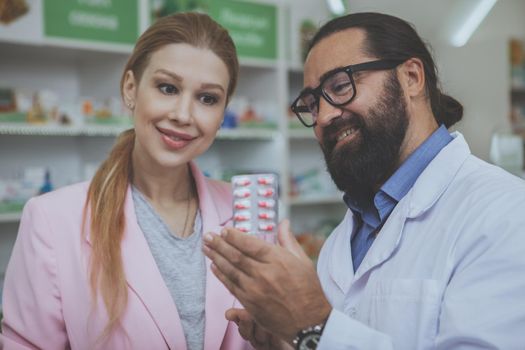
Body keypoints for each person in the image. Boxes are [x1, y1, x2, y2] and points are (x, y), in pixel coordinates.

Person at [203, 12, 525, 350]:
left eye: (340, 86)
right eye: (311, 105)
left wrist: (312, 321)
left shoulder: (505, 214)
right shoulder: (340, 243)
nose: (324, 117)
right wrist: (293, 340)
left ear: (411, 77)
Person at [1, 12, 252, 350]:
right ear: (130, 89)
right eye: (167, 88)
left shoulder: (248, 210)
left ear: (222, 113)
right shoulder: (51, 219)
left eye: (207, 98)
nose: (182, 114)